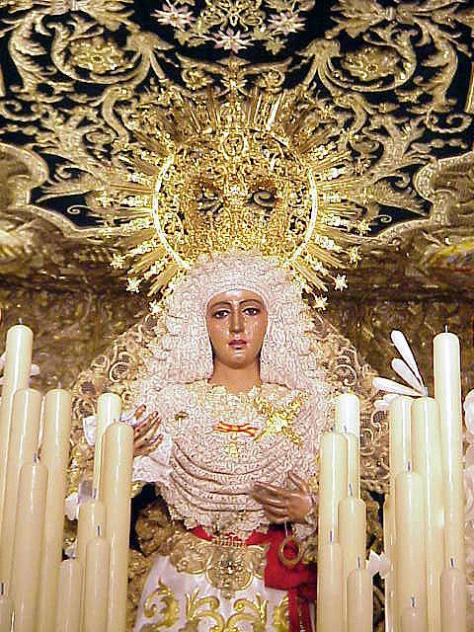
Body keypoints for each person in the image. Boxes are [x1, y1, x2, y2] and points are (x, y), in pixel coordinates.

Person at [120, 251, 333, 631]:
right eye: (221, 313)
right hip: (182, 582)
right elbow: (97, 503)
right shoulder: (168, 404)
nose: (237, 325)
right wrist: (121, 461)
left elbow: (352, 508)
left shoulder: (307, 408)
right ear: (200, 323)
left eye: (250, 311)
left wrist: (312, 511)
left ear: (272, 320)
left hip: (271, 588)